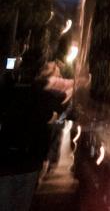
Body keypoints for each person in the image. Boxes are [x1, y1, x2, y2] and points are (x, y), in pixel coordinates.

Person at [0, 47, 67, 211]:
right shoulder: (44, 97)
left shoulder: (9, 92)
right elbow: (56, 112)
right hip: (29, 160)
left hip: (7, 159)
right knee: (21, 204)